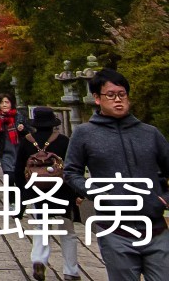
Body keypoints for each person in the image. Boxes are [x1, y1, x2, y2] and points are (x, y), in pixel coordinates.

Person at [64, 70, 169, 281]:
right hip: (114, 230)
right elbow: (71, 172)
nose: (118, 100)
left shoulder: (150, 133)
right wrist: (96, 193)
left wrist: (164, 199)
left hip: (155, 228)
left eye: (122, 94)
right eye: (110, 95)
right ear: (97, 98)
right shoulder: (85, 133)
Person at [13, 105, 79, 281]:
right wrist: (77, 194)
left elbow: (18, 171)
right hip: (62, 191)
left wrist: (23, 194)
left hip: (37, 191)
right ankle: (71, 271)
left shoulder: (27, 141)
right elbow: (72, 170)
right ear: (53, 123)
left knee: (41, 227)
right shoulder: (64, 141)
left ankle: (39, 260)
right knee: (68, 231)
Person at [0, 94, 22, 176]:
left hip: (19, 150)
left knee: (19, 176)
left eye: (7, 102)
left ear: (11, 103)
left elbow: (28, 132)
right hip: (5, 151)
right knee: (9, 176)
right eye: (1, 103)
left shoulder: (18, 116)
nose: (4, 105)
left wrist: (22, 128)